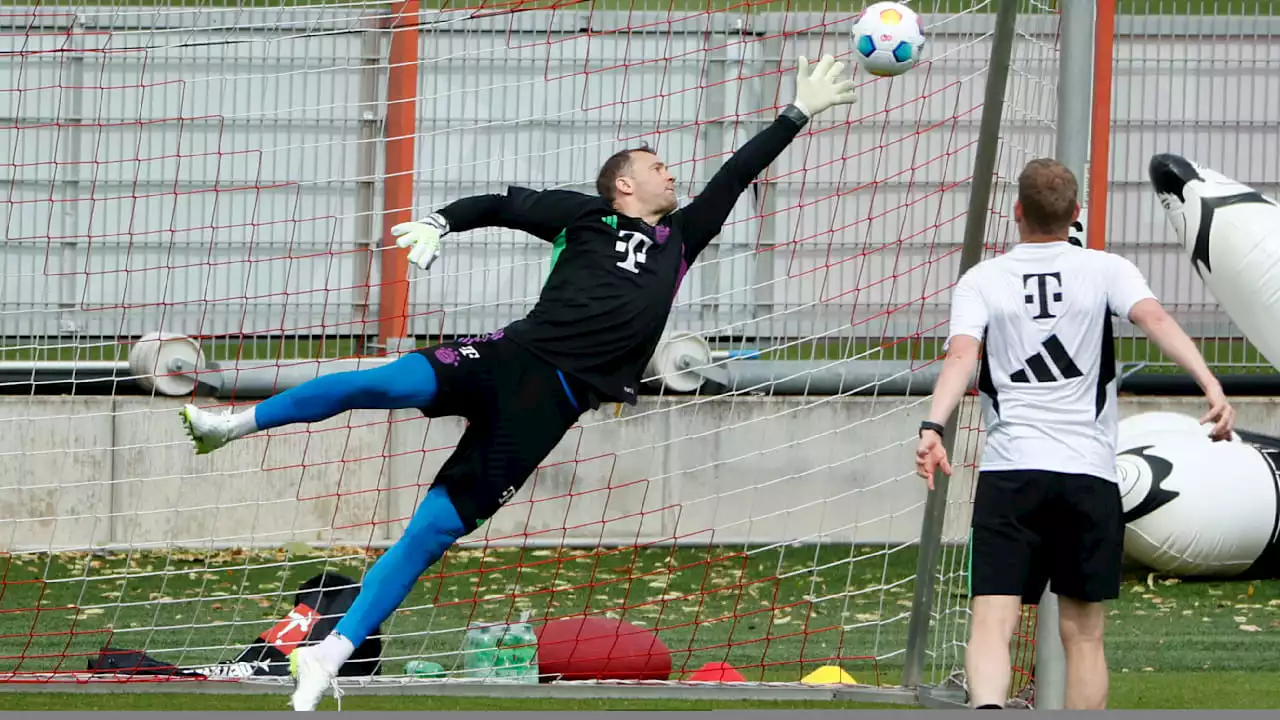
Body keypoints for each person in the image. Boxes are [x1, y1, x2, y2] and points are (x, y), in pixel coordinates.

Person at [177, 55, 857, 711]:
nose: (671, 174)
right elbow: (504, 202)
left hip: (548, 410)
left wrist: (796, 112)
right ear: (623, 184)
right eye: (656, 166)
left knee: (429, 533)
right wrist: (440, 222)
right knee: (377, 383)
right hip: (509, 359)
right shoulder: (586, 216)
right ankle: (229, 425)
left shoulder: (682, 238)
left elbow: (736, 175)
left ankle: (330, 653)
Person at [913, 158, 1235, 710]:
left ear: (1017, 213)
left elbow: (962, 356)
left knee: (994, 621)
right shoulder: (1107, 269)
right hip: (1087, 475)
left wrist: (932, 425)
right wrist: (1211, 384)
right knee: (1083, 635)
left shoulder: (983, 279)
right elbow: (1155, 319)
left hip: (1011, 473)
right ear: (1076, 214)